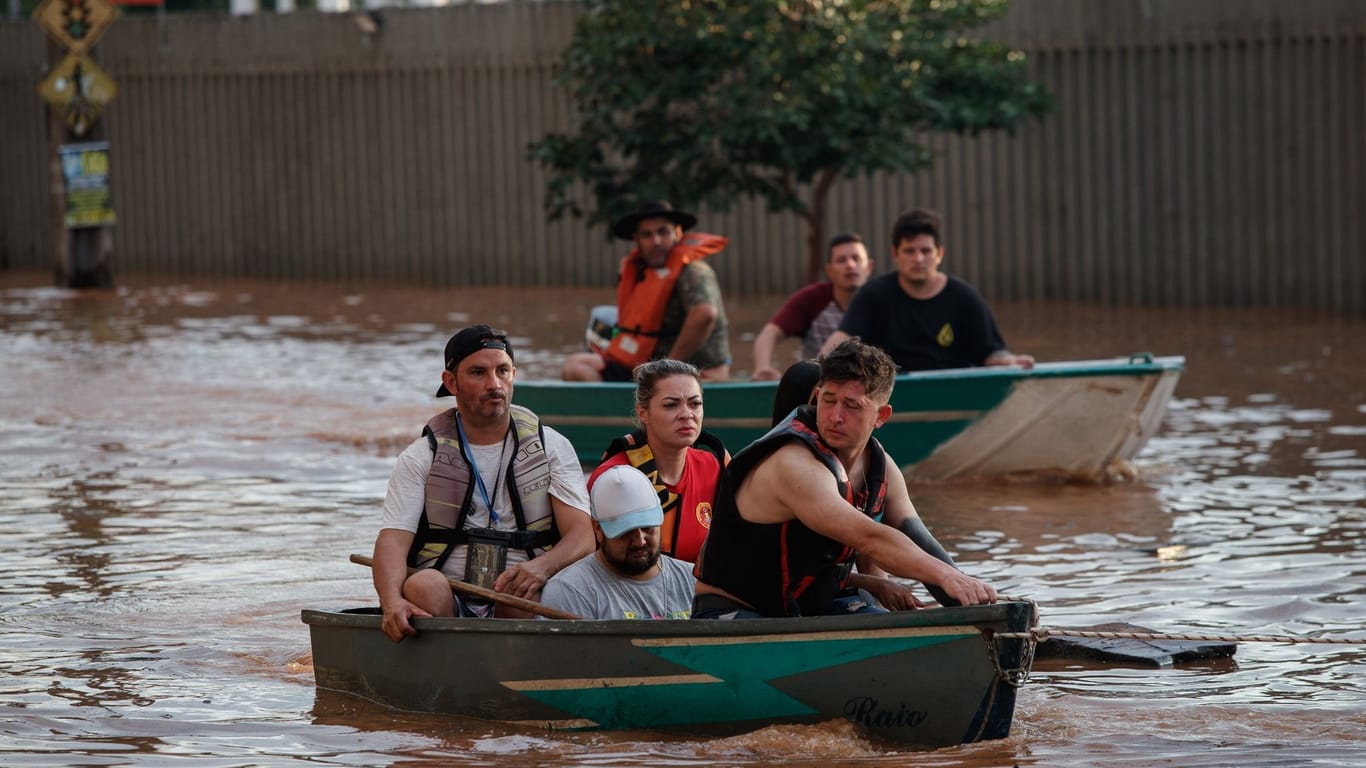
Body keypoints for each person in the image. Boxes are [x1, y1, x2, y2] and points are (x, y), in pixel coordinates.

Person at [694, 338, 997, 619]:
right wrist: (946, 577)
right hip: (734, 613)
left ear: (882, 416)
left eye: (852, 406)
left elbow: (922, 542)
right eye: (828, 400)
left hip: (811, 607)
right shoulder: (793, 464)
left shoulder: (882, 467)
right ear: (816, 395)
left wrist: (974, 607)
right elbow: (870, 538)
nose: (835, 416)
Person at [372, 324, 595, 642]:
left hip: (524, 596)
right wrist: (391, 602)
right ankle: (446, 662)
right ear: (450, 382)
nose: (494, 384)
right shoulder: (420, 456)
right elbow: (393, 542)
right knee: (423, 585)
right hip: (446, 597)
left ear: (514, 374)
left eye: (502, 371)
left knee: (520, 593)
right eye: (478, 373)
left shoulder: (552, 447)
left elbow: (583, 536)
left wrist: (542, 567)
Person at [820, 209, 1033, 371]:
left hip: (955, 395)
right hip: (890, 397)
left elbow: (991, 354)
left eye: (926, 251)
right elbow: (840, 341)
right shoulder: (873, 295)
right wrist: (815, 368)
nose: (918, 259)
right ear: (895, 253)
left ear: (939, 253)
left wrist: (1011, 362)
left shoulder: (965, 298)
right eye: (909, 251)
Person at [562, 200, 732, 382]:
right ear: (637, 239)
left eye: (663, 232)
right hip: (648, 370)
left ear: (677, 233)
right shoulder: (639, 271)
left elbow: (704, 315)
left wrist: (666, 369)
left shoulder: (693, 271)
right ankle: (619, 409)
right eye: (647, 235)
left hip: (691, 372)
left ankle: (637, 401)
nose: (656, 241)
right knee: (575, 367)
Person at [589, 359, 727, 565]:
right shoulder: (614, 477)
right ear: (643, 413)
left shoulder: (715, 464)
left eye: (695, 403)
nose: (687, 415)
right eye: (671, 405)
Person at [540, 465, 696, 620]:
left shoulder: (693, 580)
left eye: (647, 527)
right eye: (626, 532)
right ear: (598, 529)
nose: (639, 541)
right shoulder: (569, 591)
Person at [751, 233, 874, 381]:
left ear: (869, 266)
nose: (850, 265)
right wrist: (763, 367)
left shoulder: (883, 299)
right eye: (841, 260)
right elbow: (769, 333)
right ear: (829, 270)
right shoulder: (812, 298)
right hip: (817, 384)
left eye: (856, 258)